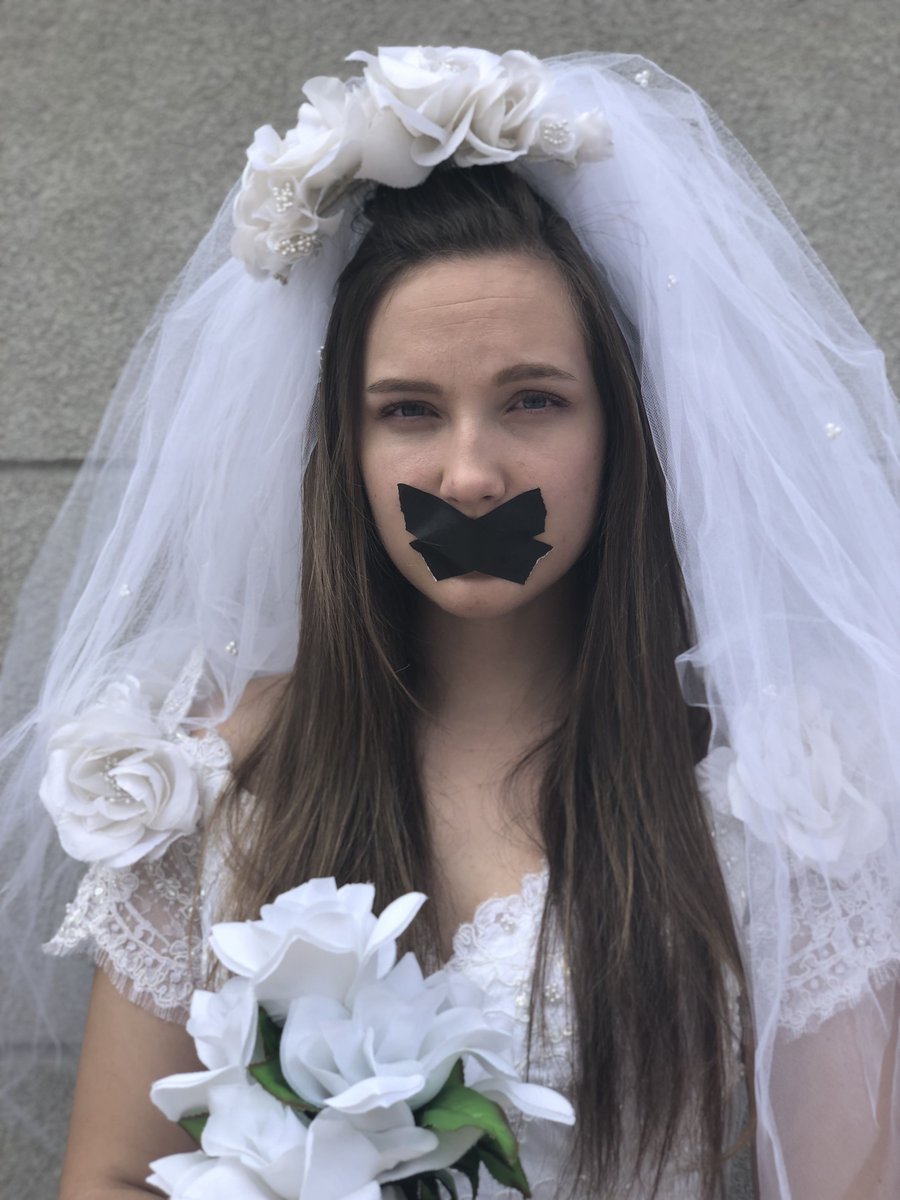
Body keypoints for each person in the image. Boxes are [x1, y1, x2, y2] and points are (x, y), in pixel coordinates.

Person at [0, 46, 897, 1200]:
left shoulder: (775, 799)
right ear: (344, 445)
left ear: (622, 426)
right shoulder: (212, 782)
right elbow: (118, 1175)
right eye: (410, 411)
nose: (472, 477)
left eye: (534, 400)